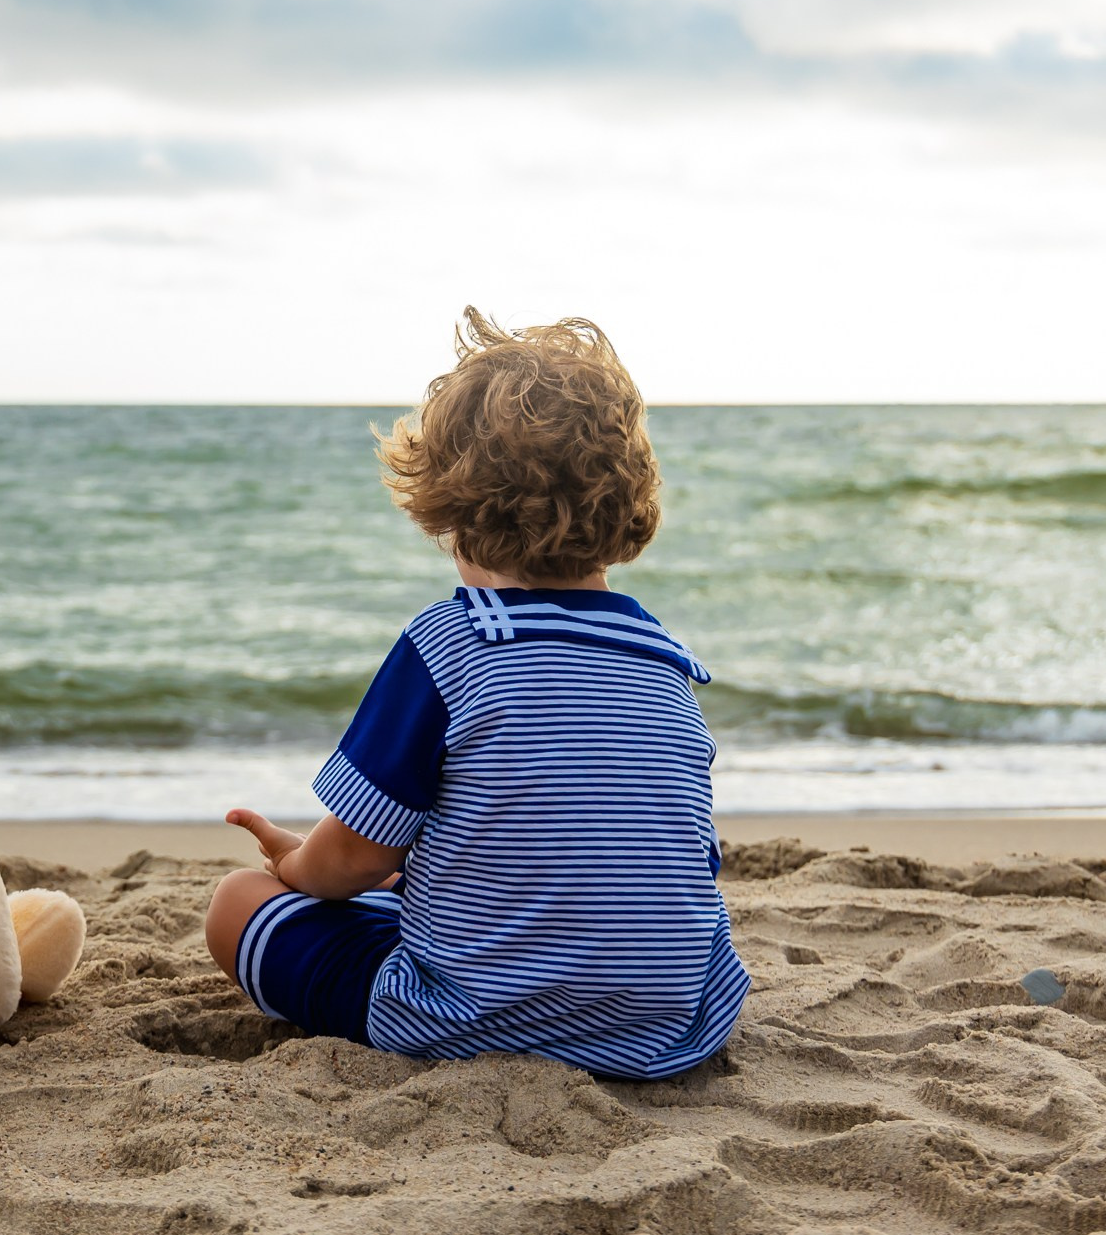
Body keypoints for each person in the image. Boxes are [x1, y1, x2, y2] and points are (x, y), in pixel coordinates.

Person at [205, 308, 748, 1079]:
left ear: (454, 514)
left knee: (235, 901)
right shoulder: (664, 662)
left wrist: (295, 866)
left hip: (472, 1014)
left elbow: (355, 856)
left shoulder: (452, 643)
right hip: (668, 1023)